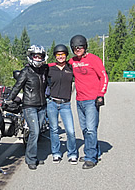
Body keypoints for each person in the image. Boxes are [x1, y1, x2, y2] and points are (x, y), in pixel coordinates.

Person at [68, 35, 108, 169]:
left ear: (85, 47)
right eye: (75, 47)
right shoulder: (72, 61)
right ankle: (94, 152)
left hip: (92, 100)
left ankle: (91, 157)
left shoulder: (93, 59)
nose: (78, 49)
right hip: (79, 100)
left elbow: (104, 76)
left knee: (91, 129)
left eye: (80, 47)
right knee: (85, 129)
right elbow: (59, 67)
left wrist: (101, 94)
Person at [6, 45, 48, 170]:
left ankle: (33, 157)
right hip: (29, 106)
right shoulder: (26, 71)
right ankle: (30, 159)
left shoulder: (44, 70)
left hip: (42, 106)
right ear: (31, 56)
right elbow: (17, 86)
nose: (38, 58)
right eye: (35, 56)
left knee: (38, 132)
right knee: (34, 132)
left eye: (40, 56)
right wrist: (9, 99)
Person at [47, 44, 78, 164]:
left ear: (66, 55)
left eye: (63, 54)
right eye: (58, 54)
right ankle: (56, 153)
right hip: (52, 103)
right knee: (54, 130)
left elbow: (81, 78)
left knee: (70, 130)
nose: (60, 56)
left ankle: (72, 153)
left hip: (65, 104)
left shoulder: (71, 68)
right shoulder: (50, 69)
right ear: (55, 56)